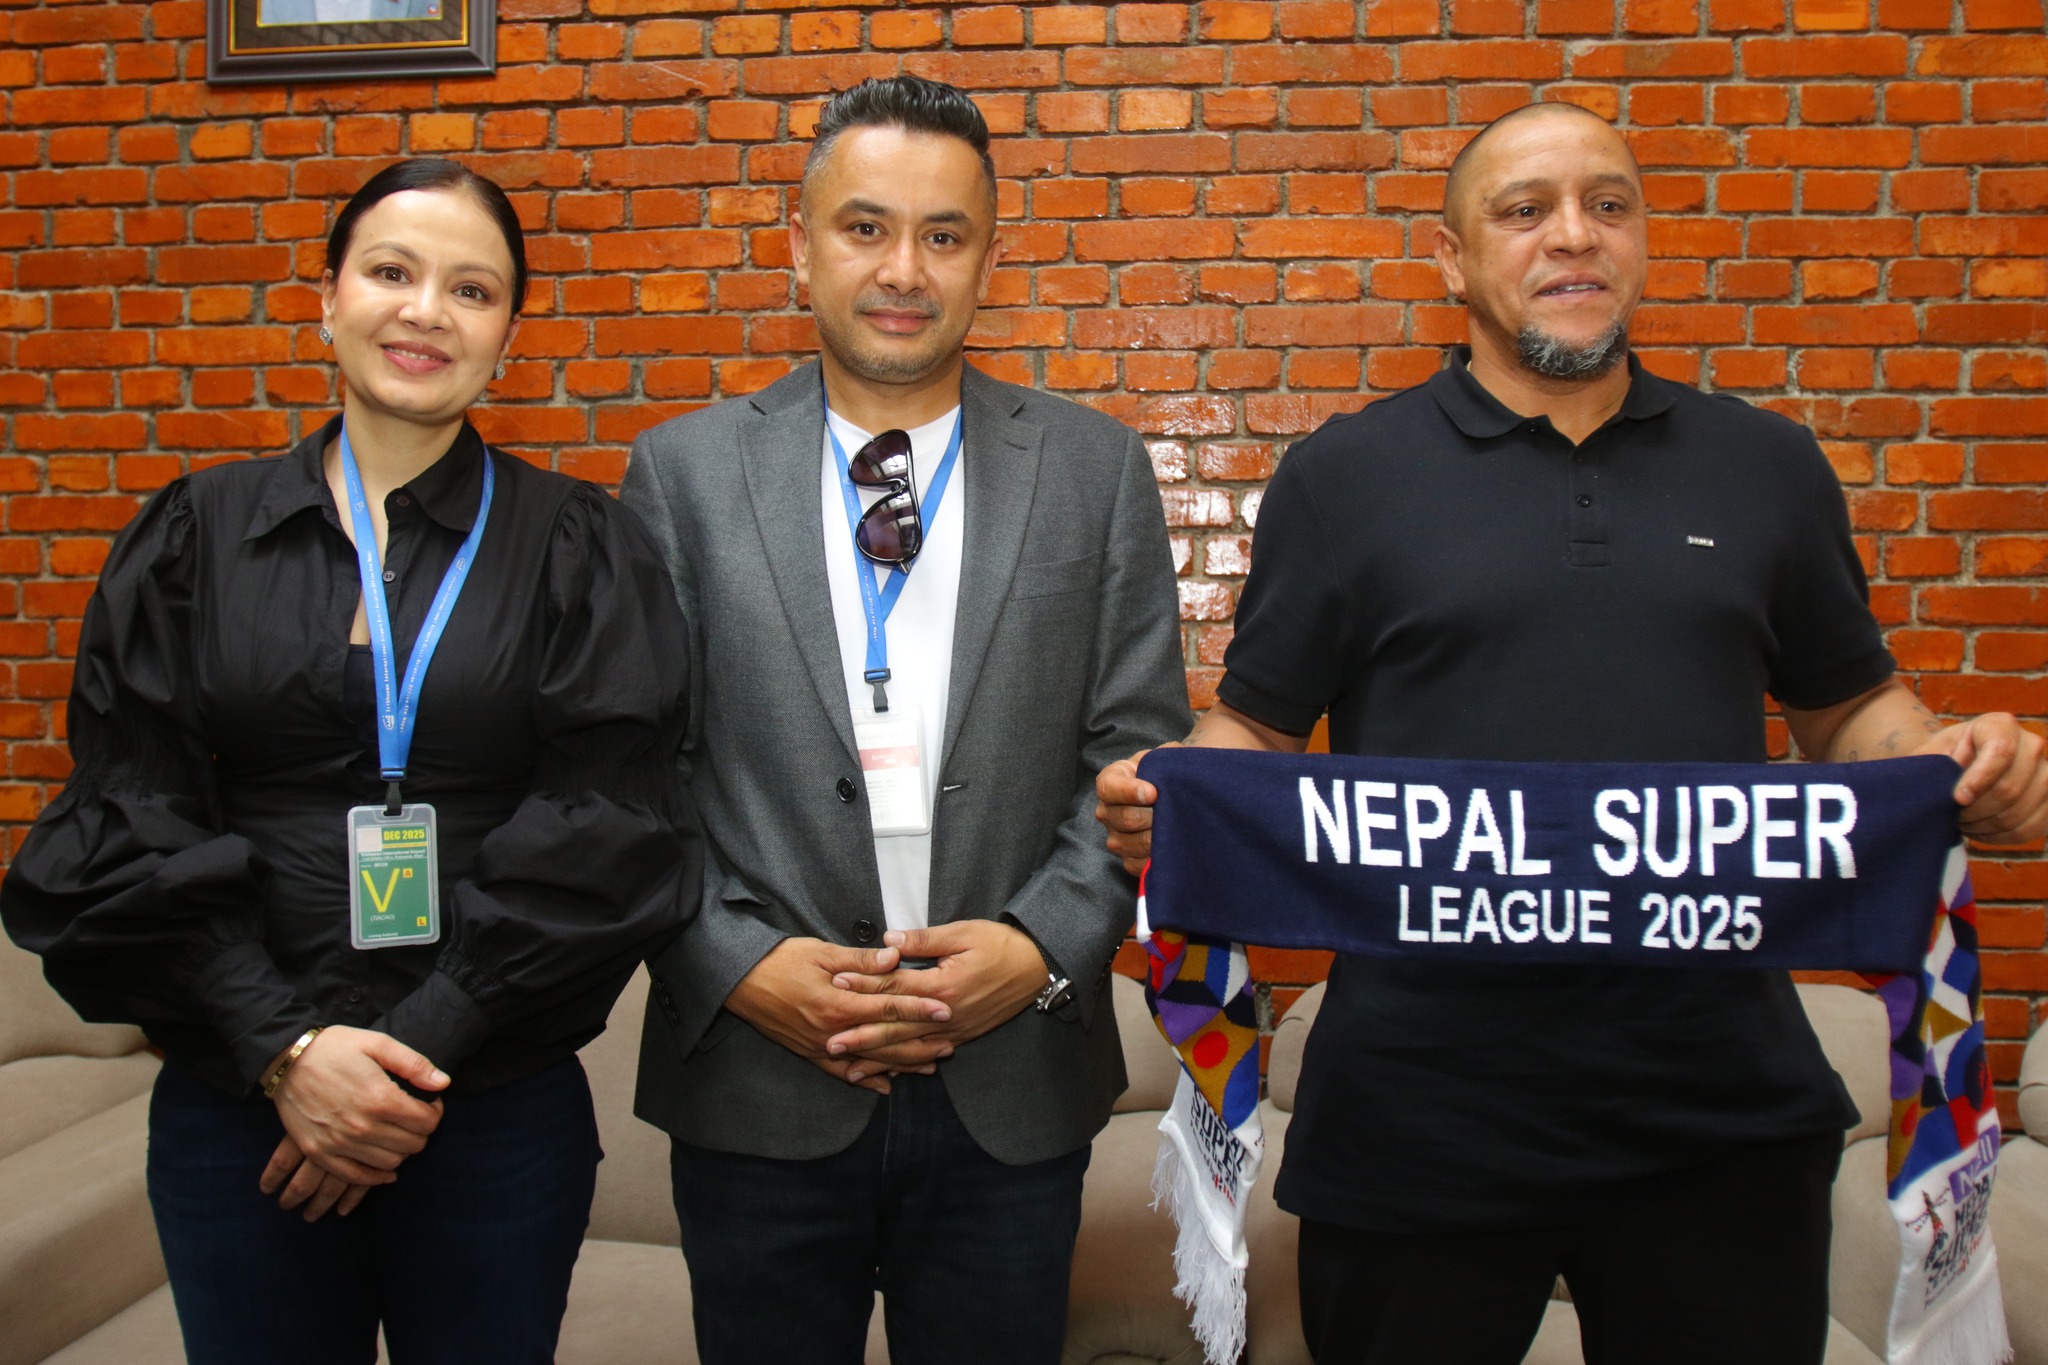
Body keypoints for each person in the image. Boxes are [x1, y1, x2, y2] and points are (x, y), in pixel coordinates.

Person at [1094, 102, 2048, 1365]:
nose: (1572, 236)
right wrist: (1170, 801)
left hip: (1718, 1112)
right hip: (1417, 1111)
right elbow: (1256, 734)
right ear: (1450, 260)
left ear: (1641, 239)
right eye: (1523, 210)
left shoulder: (1767, 466)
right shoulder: (1342, 477)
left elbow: (1850, 712)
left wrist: (1952, 763)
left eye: (1607, 205)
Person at [0, 157, 700, 1365]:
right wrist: (287, 1051)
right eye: (390, 272)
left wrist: (412, 1051)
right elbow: (128, 806)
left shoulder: (579, 546)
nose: (426, 311)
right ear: (325, 297)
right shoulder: (194, 536)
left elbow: (610, 820)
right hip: (241, 1108)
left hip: (489, 1108)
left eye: (471, 290)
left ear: (507, 338)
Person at [621, 75, 1190, 1365]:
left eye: (943, 235)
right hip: (760, 1076)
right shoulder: (682, 474)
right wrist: (736, 966)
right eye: (865, 227)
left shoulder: (1094, 469)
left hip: (1012, 1078)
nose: (902, 270)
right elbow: (635, 775)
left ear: (989, 258)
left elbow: (1132, 751)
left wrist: (1037, 949)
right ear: (799, 246)